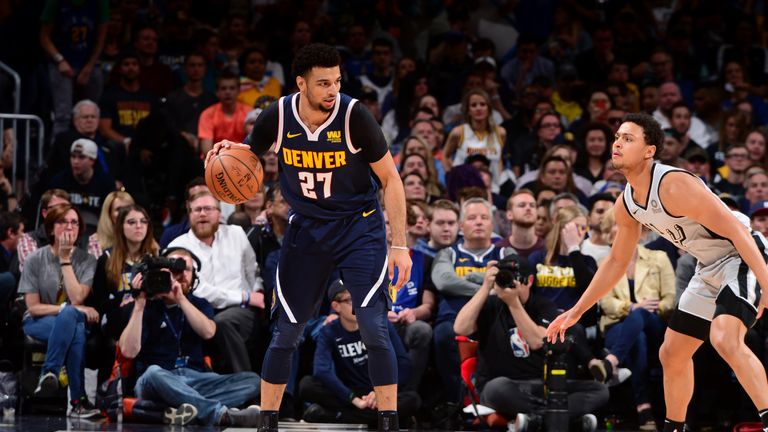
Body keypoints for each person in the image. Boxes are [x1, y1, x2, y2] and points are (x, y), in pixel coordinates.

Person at [207, 43, 410, 432]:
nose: (333, 89)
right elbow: (247, 157)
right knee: (287, 332)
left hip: (358, 226)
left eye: (336, 81)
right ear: (301, 84)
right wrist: (226, 152)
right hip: (307, 228)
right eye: (323, 83)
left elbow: (391, 179)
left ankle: (389, 422)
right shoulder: (278, 116)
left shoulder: (354, 116)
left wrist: (398, 244)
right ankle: (268, 421)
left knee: (373, 325)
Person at [546, 113, 768, 432]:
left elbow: (737, 231)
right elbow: (616, 263)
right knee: (672, 353)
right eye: (617, 137)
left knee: (724, 337)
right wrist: (576, 311)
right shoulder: (627, 204)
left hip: (742, 253)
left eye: (628, 138)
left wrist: (766, 282)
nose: (618, 143)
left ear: (649, 150)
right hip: (709, 266)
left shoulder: (674, 184)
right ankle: (674, 428)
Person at [453, 255, 608, 431]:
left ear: (530, 281)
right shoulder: (490, 304)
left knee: (598, 390)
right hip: (504, 386)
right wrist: (485, 288)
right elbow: (460, 328)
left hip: (540, 386)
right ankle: (561, 418)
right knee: (496, 388)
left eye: (516, 279)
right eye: (504, 277)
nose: (510, 283)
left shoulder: (543, 306)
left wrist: (514, 304)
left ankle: (536, 419)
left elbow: (536, 342)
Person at [119, 247, 262, 426]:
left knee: (252, 380)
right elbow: (128, 351)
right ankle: (221, 415)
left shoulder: (199, 304)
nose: (179, 275)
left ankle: (185, 406)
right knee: (153, 373)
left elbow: (208, 332)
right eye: (173, 269)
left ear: (194, 276)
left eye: (185, 269)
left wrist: (180, 299)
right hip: (158, 379)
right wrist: (139, 305)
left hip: (196, 379)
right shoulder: (146, 304)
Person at [169, 191, 265, 374]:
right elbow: (198, 289)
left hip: (241, 312)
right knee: (218, 321)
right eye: (197, 210)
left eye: (208, 209)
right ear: (189, 215)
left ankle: (246, 384)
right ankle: (244, 384)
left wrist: (258, 292)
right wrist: (244, 297)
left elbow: (252, 270)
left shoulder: (236, 234)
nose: (202, 214)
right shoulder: (178, 247)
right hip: (199, 311)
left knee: (224, 322)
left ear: (219, 214)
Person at [299, 281, 421, 425]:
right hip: (349, 392)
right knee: (306, 385)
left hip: (381, 388)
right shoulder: (329, 331)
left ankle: (336, 416)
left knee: (413, 399)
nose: (358, 304)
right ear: (336, 306)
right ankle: (381, 417)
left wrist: (379, 393)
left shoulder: (380, 324)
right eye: (351, 300)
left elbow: (403, 363)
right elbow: (321, 370)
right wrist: (353, 399)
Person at [431, 198, 515, 405]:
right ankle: (456, 401)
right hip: (454, 319)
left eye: (484, 218)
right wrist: (486, 286)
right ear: (461, 226)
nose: (478, 222)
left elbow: (511, 285)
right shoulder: (448, 253)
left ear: (492, 224)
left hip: (494, 321)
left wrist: (467, 280)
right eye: (472, 218)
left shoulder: (506, 252)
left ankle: (491, 402)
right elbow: (444, 281)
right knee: (442, 335)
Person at [597, 207, 676, 430]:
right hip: (618, 326)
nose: (622, 228)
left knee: (641, 317)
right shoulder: (605, 263)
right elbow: (605, 302)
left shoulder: (658, 258)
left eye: (626, 223)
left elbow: (670, 300)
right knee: (637, 338)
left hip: (654, 321)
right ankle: (644, 408)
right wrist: (630, 307)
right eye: (616, 224)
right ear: (608, 231)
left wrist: (646, 308)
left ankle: (611, 362)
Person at [19, 204, 99, 418]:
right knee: (73, 319)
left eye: (74, 222)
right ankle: (78, 402)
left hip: (71, 322)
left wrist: (65, 260)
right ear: (51, 229)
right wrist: (68, 309)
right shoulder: (34, 259)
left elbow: (77, 297)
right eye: (62, 222)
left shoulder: (87, 261)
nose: (69, 227)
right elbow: (33, 307)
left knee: (75, 326)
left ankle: (50, 373)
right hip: (38, 320)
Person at [91, 204, 157, 340]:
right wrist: (121, 302)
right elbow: (98, 301)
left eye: (143, 221)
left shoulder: (154, 259)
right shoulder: (107, 259)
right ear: (121, 226)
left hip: (146, 314)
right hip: (116, 318)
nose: (139, 226)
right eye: (131, 222)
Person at [198, 70, 252, 154]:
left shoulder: (249, 112)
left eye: (232, 88)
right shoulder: (207, 114)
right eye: (223, 88)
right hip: (216, 160)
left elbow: (254, 143)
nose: (228, 92)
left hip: (243, 158)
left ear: (238, 91)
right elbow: (207, 150)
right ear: (217, 92)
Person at [496, 189, 546, 258]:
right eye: (522, 205)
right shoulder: (499, 250)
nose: (528, 208)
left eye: (532, 205)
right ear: (509, 214)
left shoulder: (548, 249)